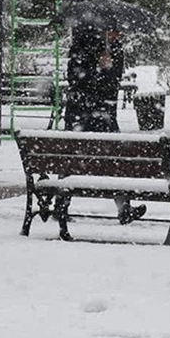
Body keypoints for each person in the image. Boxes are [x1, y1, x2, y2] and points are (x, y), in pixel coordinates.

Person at [63, 25, 145, 223]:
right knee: (113, 160)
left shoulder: (111, 49)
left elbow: (91, 81)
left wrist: (105, 68)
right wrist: (101, 69)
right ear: (102, 32)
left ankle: (61, 206)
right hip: (97, 117)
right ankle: (123, 207)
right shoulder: (86, 48)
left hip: (86, 116)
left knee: (72, 159)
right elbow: (92, 83)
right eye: (113, 30)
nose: (117, 35)